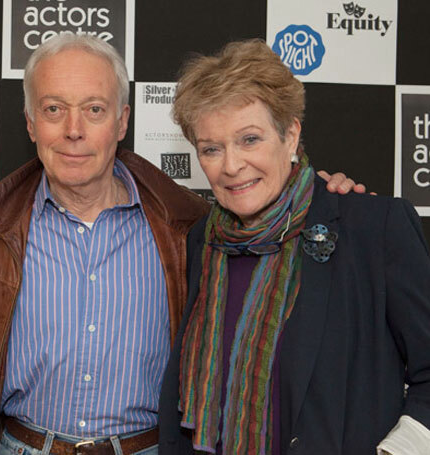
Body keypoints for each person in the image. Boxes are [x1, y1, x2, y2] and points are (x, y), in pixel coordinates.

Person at [0, 34, 362, 455]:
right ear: (30, 121)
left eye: (94, 110)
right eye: (53, 109)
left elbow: (281, 222)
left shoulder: (189, 227)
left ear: (122, 121)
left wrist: (324, 198)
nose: (73, 130)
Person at [158, 39, 430, 455]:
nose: (231, 165)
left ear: (290, 135)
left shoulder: (373, 230)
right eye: (211, 149)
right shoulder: (203, 241)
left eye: (249, 139)